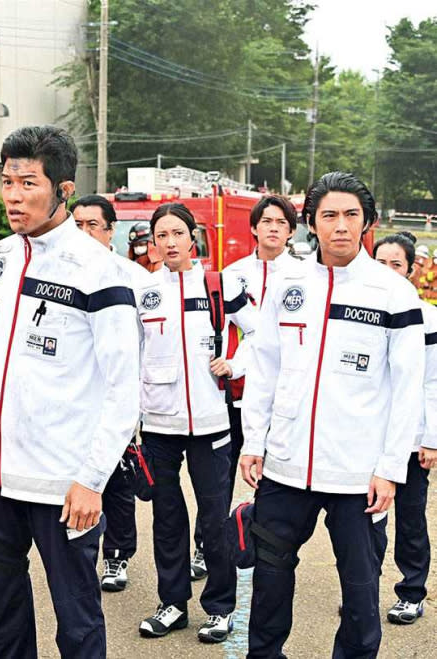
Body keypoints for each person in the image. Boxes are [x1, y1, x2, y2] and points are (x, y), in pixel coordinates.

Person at [0, 126, 140, 658]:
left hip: (63, 485)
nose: (12, 195)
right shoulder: (2, 257)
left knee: (77, 623)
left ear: (64, 189)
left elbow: (125, 388)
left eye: (28, 182)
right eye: (7, 181)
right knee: (2, 620)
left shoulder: (99, 270)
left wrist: (92, 480)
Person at [240, 172, 425, 658]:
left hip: (357, 476)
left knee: (361, 593)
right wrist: (254, 441)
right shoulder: (288, 281)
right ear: (312, 223)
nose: (340, 226)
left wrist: (390, 469)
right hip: (286, 467)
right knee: (270, 581)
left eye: (350, 215)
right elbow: (264, 367)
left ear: (367, 222)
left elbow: (408, 390)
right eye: (328, 215)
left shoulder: (393, 293)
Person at [136, 203, 257, 643]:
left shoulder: (220, 285)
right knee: (167, 517)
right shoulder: (143, 290)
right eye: (161, 235)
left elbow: (260, 335)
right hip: (158, 425)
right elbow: (128, 353)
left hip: (211, 423)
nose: (169, 242)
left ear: (193, 238)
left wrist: (234, 363)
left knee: (214, 519)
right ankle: (172, 604)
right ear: (153, 243)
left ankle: (220, 608)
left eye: (177, 233)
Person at [191, 195, 300, 581]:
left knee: (275, 481)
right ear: (253, 227)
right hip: (232, 395)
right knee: (218, 479)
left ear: (291, 231)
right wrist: (230, 367)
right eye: (266, 220)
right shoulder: (232, 274)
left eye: (281, 222)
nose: (273, 227)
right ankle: (208, 546)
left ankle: (266, 546)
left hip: (282, 397)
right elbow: (221, 328)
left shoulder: (302, 278)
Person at [73, 194, 151, 593]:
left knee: (117, 480)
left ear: (110, 232)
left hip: (116, 400)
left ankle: (117, 556)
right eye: (78, 225)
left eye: (93, 225)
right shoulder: (61, 272)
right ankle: (78, 551)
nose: (84, 233)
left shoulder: (134, 277)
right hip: (73, 402)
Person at [373, 232, 437, 625]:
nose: (387, 272)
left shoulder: (429, 319)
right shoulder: (359, 310)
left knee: (410, 518)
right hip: (369, 438)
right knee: (367, 519)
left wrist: (431, 438)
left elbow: (433, 383)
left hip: (411, 439)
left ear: (411, 269)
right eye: (380, 263)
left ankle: (412, 592)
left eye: (395, 264)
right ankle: (363, 588)